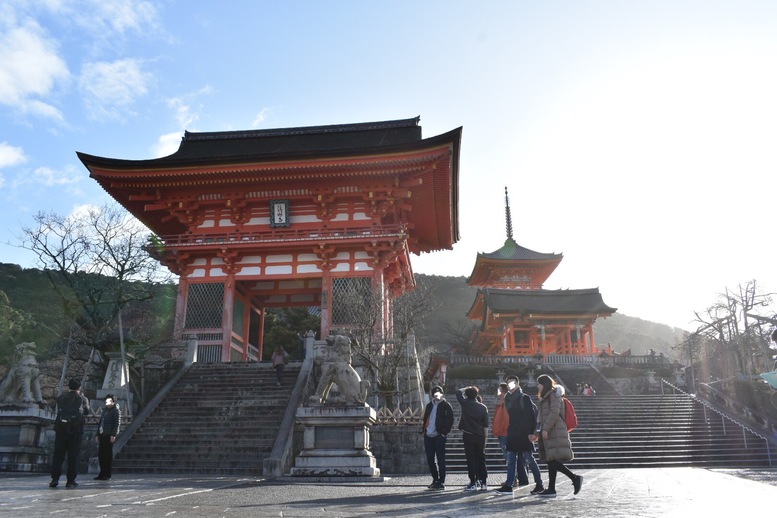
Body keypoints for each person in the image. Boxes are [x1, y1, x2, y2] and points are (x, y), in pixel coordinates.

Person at [532, 374, 583, 498]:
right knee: (551, 460)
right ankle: (551, 489)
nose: (538, 386)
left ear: (544, 384)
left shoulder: (554, 395)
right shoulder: (545, 397)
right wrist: (537, 433)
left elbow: (554, 413)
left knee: (552, 460)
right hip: (549, 430)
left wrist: (545, 429)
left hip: (555, 430)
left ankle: (575, 478)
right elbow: (541, 417)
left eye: (539, 383)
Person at [496, 375, 545, 495]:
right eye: (508, 383)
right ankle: (509, 485)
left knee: (529, 460)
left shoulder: (524, 398)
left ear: (518, 384)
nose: (510, 385)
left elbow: (531, 418)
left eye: (512, 383)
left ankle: (539, 484)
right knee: (511, 460)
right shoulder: (507, 398)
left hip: (524, 434)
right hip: (512, 433)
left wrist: (531, 433)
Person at [50, 378, 90, 488]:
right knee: (73, 455)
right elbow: (86, 411)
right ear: (79, 387)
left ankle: (55, 478)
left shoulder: (61, 397)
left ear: (69, 387)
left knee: (58, 455)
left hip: (61, 429)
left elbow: (56, 409)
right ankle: (70, 480)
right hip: (76, 430)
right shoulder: (82, 399)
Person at [455, 386, 489, 491]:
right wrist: (486, 438)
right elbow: (486, 425)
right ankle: (484, 482)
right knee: (481, 458)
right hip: (480, 435)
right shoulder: (483, 407)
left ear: (466, 395)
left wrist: (466, 388)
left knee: (471, 458)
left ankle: (473, 482)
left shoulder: (465, 403)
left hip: (468, 434)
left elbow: (457, 392)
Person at [421, 385, 454, 490]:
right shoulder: (429, 405)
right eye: (435, 393)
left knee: (441, 459)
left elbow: (450, 420)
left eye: (438, 392)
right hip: (428, 435)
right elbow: (425, 418)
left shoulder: (446, 405)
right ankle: (435, 479)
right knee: (430, 459)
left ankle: (441, 481)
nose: (437, 394)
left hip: (439, 435)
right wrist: (424, 430)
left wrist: (444, 432)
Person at [94, 393, 121, 481]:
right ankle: (102, 473)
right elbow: (100, 423)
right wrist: (97, 434)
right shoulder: (105, 410)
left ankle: (107, 474)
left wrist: (114, 435)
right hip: (102, 434)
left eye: (109, 401)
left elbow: (117, 424)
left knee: (107, 455)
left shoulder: (115, 411)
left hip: (109, 435)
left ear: (113, 402)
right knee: (101, 455)